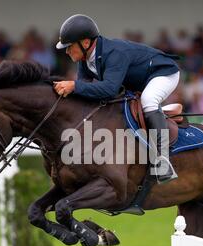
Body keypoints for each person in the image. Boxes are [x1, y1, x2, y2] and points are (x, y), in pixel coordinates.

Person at [53, 14, 180, 183]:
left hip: (163, 72)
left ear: (85, 42)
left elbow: (109, 89)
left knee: (148, 100)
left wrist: (74, 86)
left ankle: (163, 162)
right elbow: (85, 91)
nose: (67, 51)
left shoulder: (114, 53)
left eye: (69, 46)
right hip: (139, 81)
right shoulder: (84, 59)